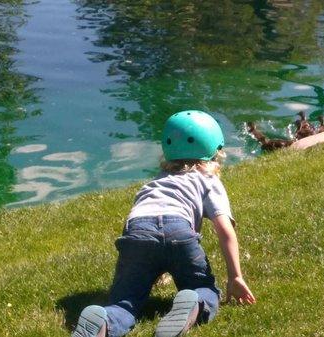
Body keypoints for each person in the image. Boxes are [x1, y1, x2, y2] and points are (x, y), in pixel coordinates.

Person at [72, 110, 256, 337]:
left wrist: (151, 267)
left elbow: (140, 230)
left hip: (138, 230)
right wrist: (235, 277)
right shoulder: (207, 179)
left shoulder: (155, 182)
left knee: (124, 302)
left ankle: (105, 320)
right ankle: (195, 302)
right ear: (213, 151)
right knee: (204, 289)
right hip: (180, 231)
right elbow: (224, 230)